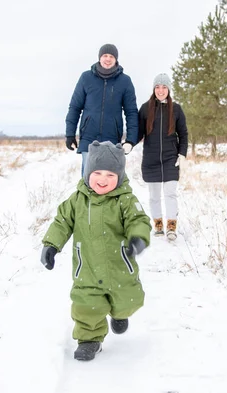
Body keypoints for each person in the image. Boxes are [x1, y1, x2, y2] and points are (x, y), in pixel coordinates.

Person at [40, 140, 151, 361]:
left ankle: (120, 314)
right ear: (88, 172)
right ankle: (89, 340)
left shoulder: (125, 200)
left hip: (119, 266)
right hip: (87, 268)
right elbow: (62, 222)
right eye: (97, 173)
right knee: (87, 305)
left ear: (119, 177)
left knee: (128, 300)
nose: (103, 179)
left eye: (110, 175)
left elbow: (138, 220)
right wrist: (51, 245)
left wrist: (137, 238)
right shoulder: (77, 200)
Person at [64, 44, 139, 176]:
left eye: (111, 56)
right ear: (100, 58)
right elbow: (75, 107)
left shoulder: (125, 81)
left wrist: (130, 141)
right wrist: (70, 134)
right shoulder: (86, 78)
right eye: (105, 55)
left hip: (112, 140)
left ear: (116, 59)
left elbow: (131, 112)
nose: (108, 59)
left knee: (109, 180)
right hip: (89, 138)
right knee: (88, 181)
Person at [136, 73, 188, 241]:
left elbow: (184, 134)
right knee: (154, 196)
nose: (160, 90)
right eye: (157, 87)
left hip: (170, 158)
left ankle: (171, 226)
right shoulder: (145, 109)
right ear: (153, 89)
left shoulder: (177, 109)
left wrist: (182, 153)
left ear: (169, 89)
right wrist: (128, 143)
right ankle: (158, 225)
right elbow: (138, 133)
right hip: (151, 159)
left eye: (164, 87)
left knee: (170, 193)